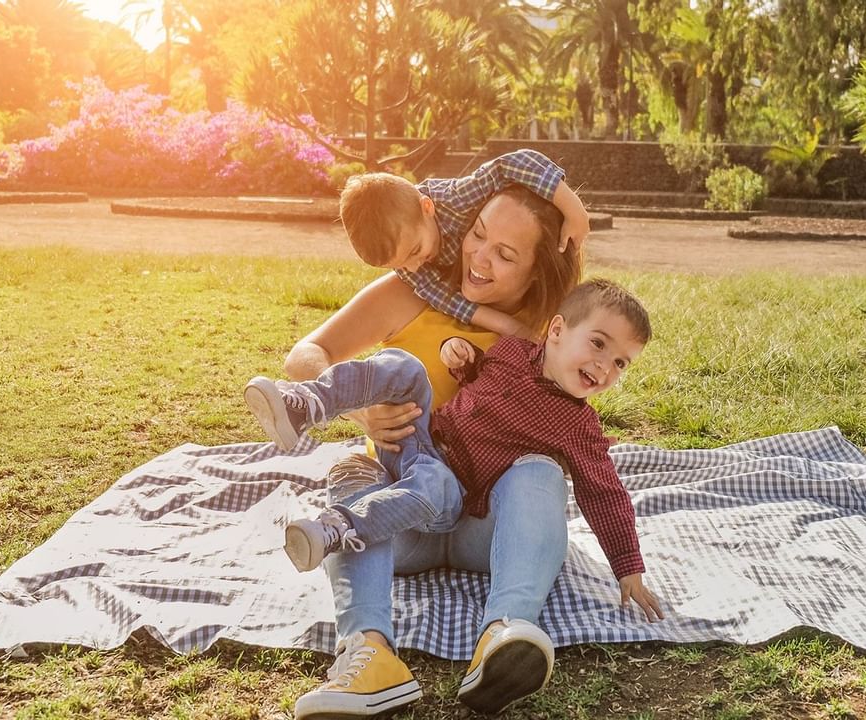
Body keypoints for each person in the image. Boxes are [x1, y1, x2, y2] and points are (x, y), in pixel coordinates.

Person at [257, 180, 597, 720]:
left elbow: (590, 404)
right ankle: (369, 654)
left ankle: (505, 633)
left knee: (540, 472)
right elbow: (307, 354)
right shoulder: (410, 289)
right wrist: (359, 410)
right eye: (478, 235)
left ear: (536, 270)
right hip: (397, 520)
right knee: (351, 471)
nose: (478, 258)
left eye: (504, 254)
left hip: (489, 526)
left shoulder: (550, 327)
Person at [246, 282, 666, 647]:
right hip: (418, 444)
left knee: (431, 481)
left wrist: (628, 565)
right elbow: (480, 381)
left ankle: (341, 526)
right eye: (598, 343)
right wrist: (461, 359)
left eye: (620, 363)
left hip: (453, 495)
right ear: (556, 330)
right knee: (404, 365)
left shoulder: (579, 425)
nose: (604, 367)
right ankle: (307, 404)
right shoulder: (513, 352)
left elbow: (605, 493)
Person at [338, 148, 589, 340]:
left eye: (415, 251)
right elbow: (447, 299)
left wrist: (574, 209)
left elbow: (514, 163)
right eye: (400, 265)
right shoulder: (407, 260)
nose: (413, 269)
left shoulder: (456, 199)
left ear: (427, 207)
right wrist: (507, 326)